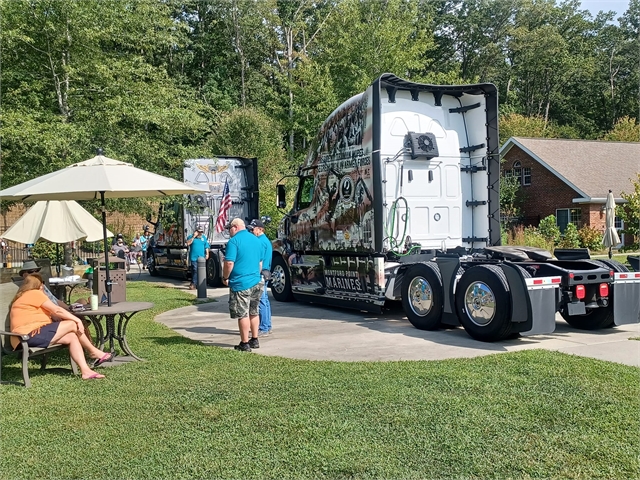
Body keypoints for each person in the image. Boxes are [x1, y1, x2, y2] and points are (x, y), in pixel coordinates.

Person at [9, 274, 111, 380]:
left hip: (30, 335)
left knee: (71, 336)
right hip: (27, 336)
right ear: (39, 286)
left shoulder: (25, 295)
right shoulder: (34, 293)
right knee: (72, 324)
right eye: (42, 285)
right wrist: (76, 320)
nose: (43, 287)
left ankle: (86, 371)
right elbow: (57, 310)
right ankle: (93, 351)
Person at [222, 218, 263, 352]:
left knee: (243, 314)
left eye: (229, 228)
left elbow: (229, 263)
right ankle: (255, 339)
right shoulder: (256, 240)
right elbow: (260, 262)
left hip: (241, 283)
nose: (229, 231)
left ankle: (244, 343)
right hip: (257, 281)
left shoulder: (234, 242)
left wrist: (225, 277)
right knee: (254, 311)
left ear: (235, 227)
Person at [248, 219, 272, 336]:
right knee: (264, 300)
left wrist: (256, 275)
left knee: (261, 301)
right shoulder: (264, 240)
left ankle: (263, 327)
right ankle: (267, 325)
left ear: (260, 229)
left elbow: (259, 260)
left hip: (261, 273)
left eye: (253, 229)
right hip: (265, 272)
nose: (252, 231)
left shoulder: (260, 242)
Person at [186, 225, 209, 290]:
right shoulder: (191, 237)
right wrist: (194, 236)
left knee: (200, 271)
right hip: (194, 257)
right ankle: (193, 283)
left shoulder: (203, 238)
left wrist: (207, 254)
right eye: (199, 232)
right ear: (196, 231)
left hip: (202, 257)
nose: (200, 233)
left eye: (201, 232)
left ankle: (199, 284)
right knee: (195, 270)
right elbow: (188, 243)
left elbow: (206, 246)